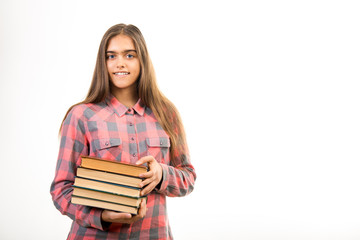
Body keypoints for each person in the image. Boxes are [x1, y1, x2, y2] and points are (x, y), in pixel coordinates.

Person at [50, 23, 196, 240]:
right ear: (103, 62)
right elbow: (61, 190)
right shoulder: (81, 116)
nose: (120, 63)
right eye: (111, 56)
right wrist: (101, 215)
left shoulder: (167, 113)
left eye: (130, 55)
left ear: (142, 60)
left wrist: (161, 174)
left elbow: (188, 178)